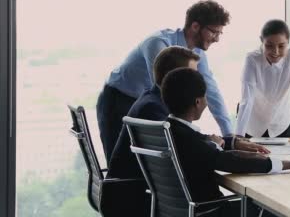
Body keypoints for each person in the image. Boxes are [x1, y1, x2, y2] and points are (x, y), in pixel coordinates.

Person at [105, 47, 267, 217]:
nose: (197, 79)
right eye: (193, 73)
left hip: (137, 195)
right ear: (175, 75)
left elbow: (188, 140)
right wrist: (216, 146)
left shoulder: (151, 100)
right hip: (131, 200)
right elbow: (187, 145)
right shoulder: (153, 109)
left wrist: (229, 142)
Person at [161, 67, 290, 215]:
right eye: (205, 97)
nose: (206, 102)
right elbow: (231, 161)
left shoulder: (169, 130)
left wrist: (227, 143)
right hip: (211, 211)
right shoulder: (191, 141)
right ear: (198, 102)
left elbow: (203, 143)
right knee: (272, 210)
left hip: (185, 210)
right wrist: (288, 164)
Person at [96, 0, 234, 162]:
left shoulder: (196, 54)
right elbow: (169, 91)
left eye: (219, 34)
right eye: (213, 32)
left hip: (144, 105)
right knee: (120, 164)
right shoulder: (159, 43)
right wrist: (200, 141)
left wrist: (229, 136)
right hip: (119, 101)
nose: (217, 39)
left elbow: (210, 90)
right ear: (195, 26)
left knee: (149, 164)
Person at [236, 20, 290, 140]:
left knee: (288, 157)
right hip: (253, 121)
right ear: (261, 41)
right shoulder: (252, 58)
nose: (276, 51)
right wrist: (238, 135)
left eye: (281, 46)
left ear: (288, 42)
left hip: (282, 121)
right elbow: (247, 98)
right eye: (269, 46)